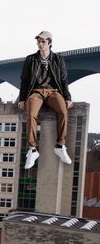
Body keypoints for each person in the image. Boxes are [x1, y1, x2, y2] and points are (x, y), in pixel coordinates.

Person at [18, 30, 72, 169]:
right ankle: (32, 150)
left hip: (53, 92)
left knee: (63, 112)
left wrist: (67, 97)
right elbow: (24, 81)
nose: (40, 44)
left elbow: (64, 80)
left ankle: (60, 146)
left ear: (50, 43)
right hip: (35, 92)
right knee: (31, 114)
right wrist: (22, 99)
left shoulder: (58, 60)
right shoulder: (31, 59)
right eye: (38, 42)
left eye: (43, 42)